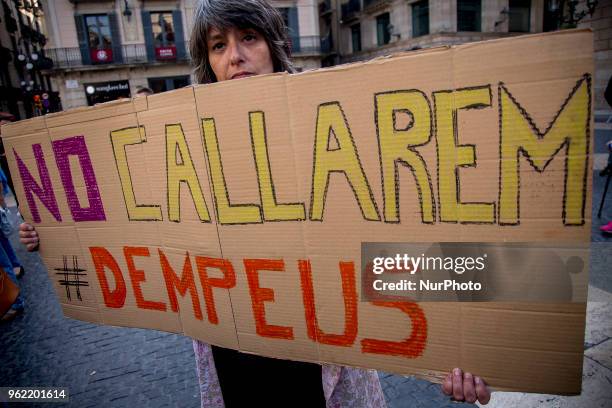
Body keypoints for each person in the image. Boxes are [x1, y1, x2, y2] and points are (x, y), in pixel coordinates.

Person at [20, 0, 491, 405]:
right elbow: (135, 225)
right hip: (236, 360)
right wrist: (59, 232)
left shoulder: (333, 127)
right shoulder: (183, 148)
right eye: (218, 45)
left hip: (319, 357)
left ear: (273, 47)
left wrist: (460, 342)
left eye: (248, 37)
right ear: (208, 62)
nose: (236, 57)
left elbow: (405, 230)